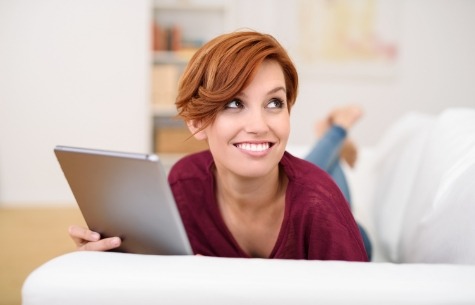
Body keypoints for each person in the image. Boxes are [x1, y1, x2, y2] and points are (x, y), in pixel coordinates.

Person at [68, 30, 368, 261]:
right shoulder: (185, 184)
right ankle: (334, 139)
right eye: (235, 103)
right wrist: (111, 260)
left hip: (351, 234)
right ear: (196, 121)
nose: (259, 125)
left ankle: (337, 132)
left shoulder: (321, 205)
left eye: (274, 103)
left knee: (320, 178)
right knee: (315, 168)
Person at [304, 105, 373, 260]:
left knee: (293, 185)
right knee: (297, 185)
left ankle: (333, 138)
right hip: (351, 238)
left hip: (348, 239)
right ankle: (334, 136)